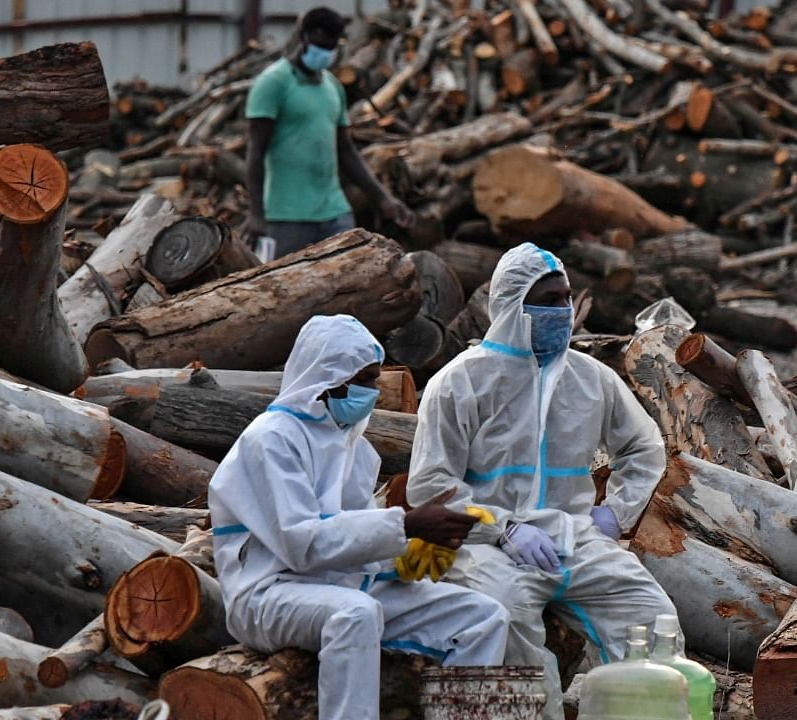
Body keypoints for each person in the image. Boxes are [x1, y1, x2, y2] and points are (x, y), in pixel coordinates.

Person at [406, 243, 678, 720]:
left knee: (650, 617)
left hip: (574, 536)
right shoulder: (459, 382)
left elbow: (644, 446)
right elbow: (432, 486)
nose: (563, 312)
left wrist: (616, 512)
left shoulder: (591, 378)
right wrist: (502, 527)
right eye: (548, 300)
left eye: (566, 299)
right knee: (503, 620)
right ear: (513, 305)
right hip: (484, 546)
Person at [209, 315, 508, 720]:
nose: (372, 391)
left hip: (344, 583)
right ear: (327, 377)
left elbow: (354, 539)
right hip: (267, 594)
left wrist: (406, 555)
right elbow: (304, 545)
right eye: (364, 379)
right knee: (354, 614)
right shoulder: (272, 439)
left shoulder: (354, 448)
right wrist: (406, 525)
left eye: (374, 379)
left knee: (484, 616)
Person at [244, 7, 414, 258]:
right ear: (302, 38)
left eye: (330, 48)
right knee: (286, 291)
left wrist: (383, 198)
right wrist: (256, 214)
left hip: (334, 213)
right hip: (286, 217)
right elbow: (255, 152)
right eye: (319, 46)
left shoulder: (332, 87)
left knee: (349, 281)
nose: (324, 53)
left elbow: (346, 151)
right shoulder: (273, 83)